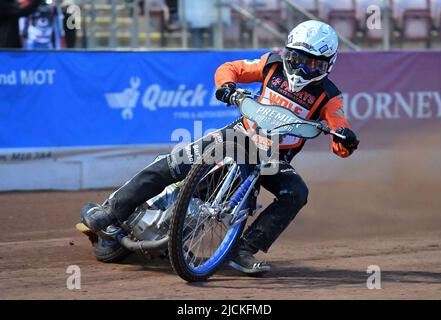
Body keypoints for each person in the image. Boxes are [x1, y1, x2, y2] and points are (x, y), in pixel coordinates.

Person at [81, 20, 360, 275]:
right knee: (176, 162)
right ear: (287, 53)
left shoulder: (329, 96)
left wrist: (345, 138)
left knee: (296, 193)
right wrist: (227, 87)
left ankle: (243, 249)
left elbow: (339, 135)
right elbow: (231, 68)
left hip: (273, 159)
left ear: (328, 65)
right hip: (237, 136)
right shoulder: (271, 65)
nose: (301, 69)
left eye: (313, 65)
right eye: (297, 59)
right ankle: (112, 211)